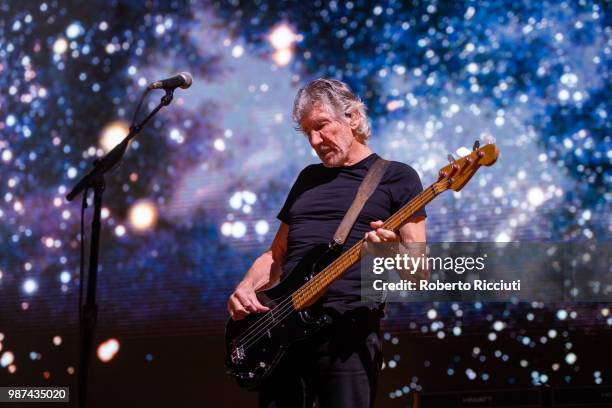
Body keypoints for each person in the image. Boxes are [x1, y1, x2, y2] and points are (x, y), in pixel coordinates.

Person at [227, 78, 426, 408]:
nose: (315, 141)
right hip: (284, 336)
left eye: (321, 126)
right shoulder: (307, 179)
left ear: (352, 118)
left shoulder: (397, 177)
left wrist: (389, 251)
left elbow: (419, 272)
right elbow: (277, 254)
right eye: (307, 133)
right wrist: (247, 286)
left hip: (347, 336)